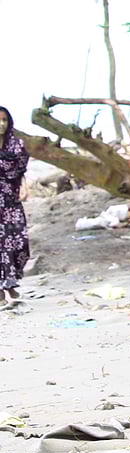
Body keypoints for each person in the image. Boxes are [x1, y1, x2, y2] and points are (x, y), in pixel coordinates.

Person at [0, 106, 30, 305]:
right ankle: (1, 290)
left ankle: (10, 282)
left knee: (19, 243)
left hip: (11, 199)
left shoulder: (16, 145)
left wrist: (25, 187)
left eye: (4, 120)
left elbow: (22, 171)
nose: (1, 124)